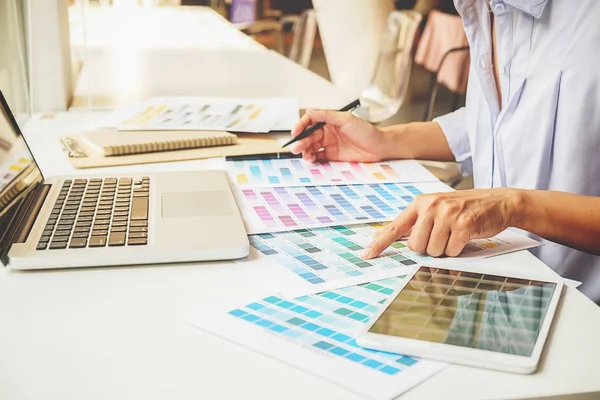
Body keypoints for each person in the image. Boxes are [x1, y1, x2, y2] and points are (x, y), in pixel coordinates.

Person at [290, 0, 600, 303]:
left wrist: (513, 206)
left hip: (583, 308)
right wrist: (386, 140)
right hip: (497, 290)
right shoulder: (481, 7)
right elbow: (501, 119)